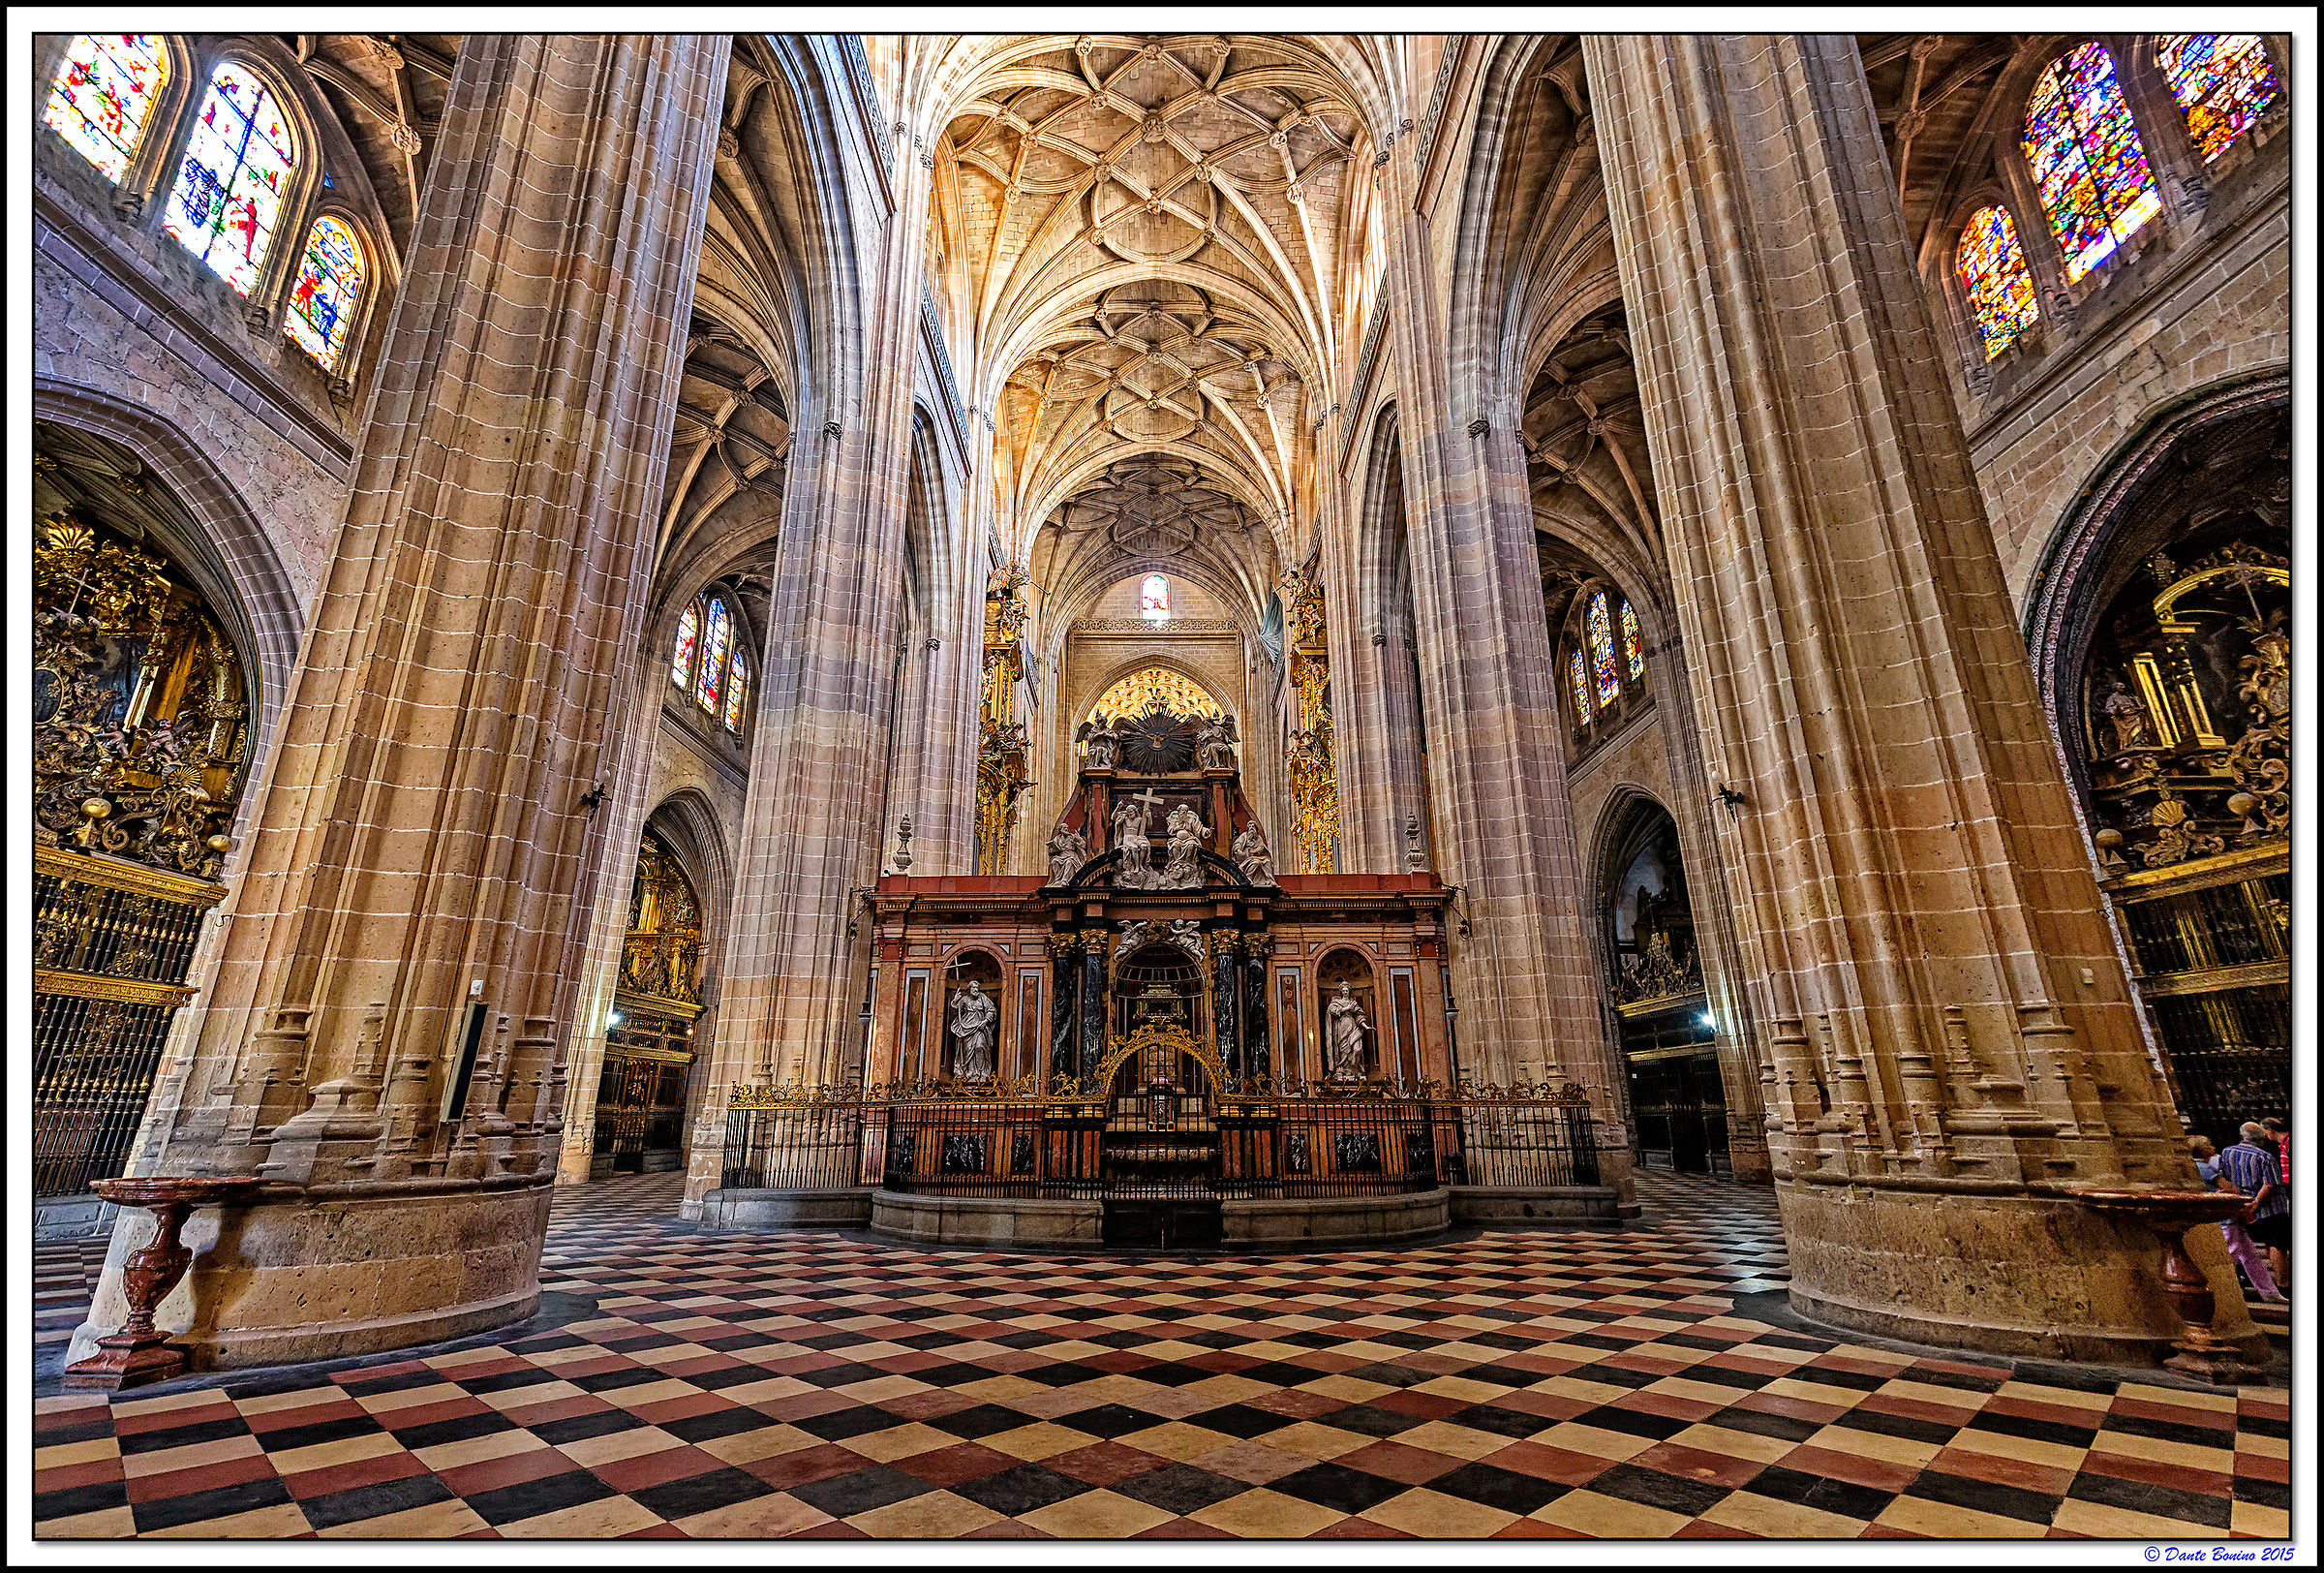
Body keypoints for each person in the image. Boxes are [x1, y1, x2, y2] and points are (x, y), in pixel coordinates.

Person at [2193, 1135, 2281, 1301]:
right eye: (2208, 1145)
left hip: (2228, 1217)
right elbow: (2230, 1188)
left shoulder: (2203, 1165)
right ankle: (2222, 1291)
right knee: (2230, 1255)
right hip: (2224, 1218)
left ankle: (2269, 1292)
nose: (2212, 1147)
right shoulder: (2205, 1168)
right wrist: (2231, 1189)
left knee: (2250, 1256)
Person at [2218, 1122, 2290, 1297]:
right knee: (2276, 1244)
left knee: (2243, 1247)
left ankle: (2243, 1281)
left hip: (2240, 1206)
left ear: (2241, 1135)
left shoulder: (2227, 1152)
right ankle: (2283, 1285)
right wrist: (2256, 1203)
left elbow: (2224, 1178)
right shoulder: (2265, 1157)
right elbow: (2270, 1184)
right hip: (2269, 1209)